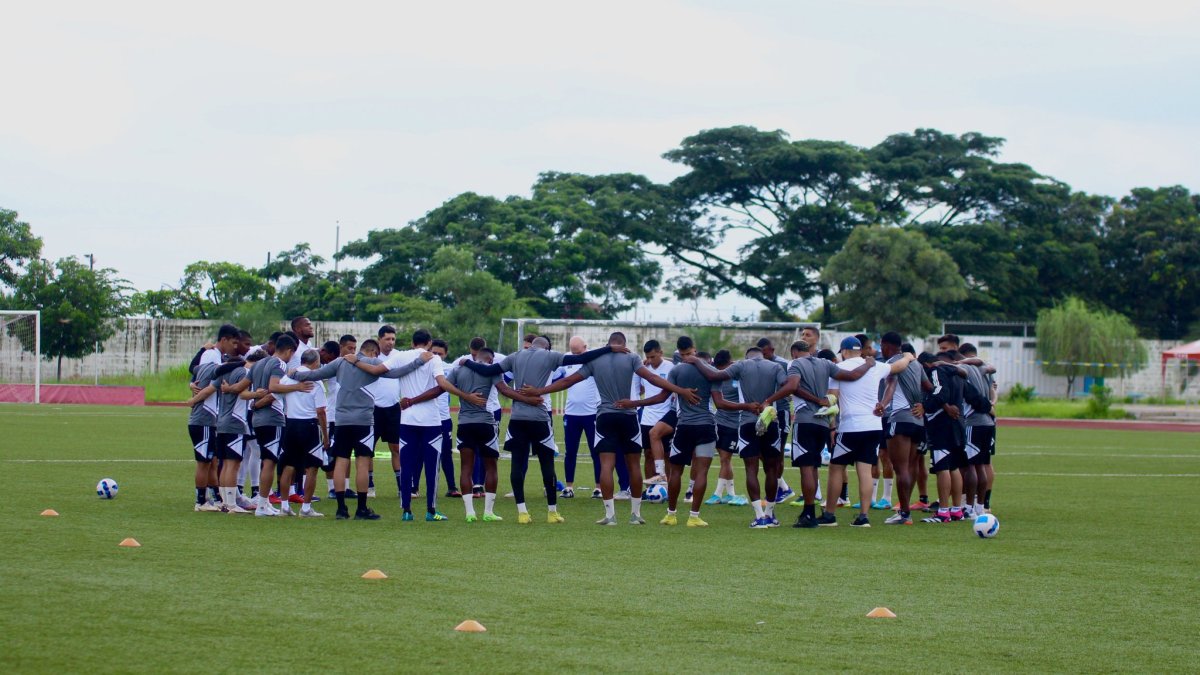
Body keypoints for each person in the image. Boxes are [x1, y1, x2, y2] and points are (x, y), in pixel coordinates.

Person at [525, 333, 699, 525]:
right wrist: (680, 390)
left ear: (609, 344)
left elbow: (568, 381)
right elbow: (652, 378)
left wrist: (539, 391)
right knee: (634, 465)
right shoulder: (631, 358)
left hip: (605, 417)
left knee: (606, 465)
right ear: (623, 345)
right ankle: (635, 515)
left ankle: (610, 516)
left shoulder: (596, 360)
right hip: (629, 416)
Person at [461, 337, 613, 524]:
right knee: (547, 465)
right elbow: (581, 358)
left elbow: (488, 370)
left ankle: (522, 512)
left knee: (517, 464)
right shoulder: (550, 356)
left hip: (517, 419)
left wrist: (467, 362)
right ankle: (552, 512)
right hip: (540, 418)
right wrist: (608, 349)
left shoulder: (515, 356)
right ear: (546, 347)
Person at [349, 330, 485, 522]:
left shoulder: (401, 356)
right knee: (432, 468)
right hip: (431, 420)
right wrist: (466, 396)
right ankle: (431, 510)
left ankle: (406, 511)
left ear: (412, 343)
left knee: (407, 466)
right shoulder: (433, 358)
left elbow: (375, 370)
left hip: (407, 420)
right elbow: (442, 384)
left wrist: (355, 361)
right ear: (429, 343)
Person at [290, 339, 429, 520]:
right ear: (374, 352)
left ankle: (341, 509)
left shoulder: (341, 362)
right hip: (364, 420)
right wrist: (420, 361)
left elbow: (315, 374)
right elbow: (397, 373)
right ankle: (361, 508)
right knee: (362, 462)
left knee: (341, 461)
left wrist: (294, 374)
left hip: (341, 420)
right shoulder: (374, 362)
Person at [815, 336, 915, 528]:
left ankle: (829, 515)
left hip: (850, 426)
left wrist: (832, 426)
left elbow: (833, 400)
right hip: (873, 425)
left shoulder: (838, 369)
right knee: (865, 470)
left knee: (836, 468)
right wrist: (908, 357)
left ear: (844, 351)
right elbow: (898, 367)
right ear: (860, 351)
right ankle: (863, 517)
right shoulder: (876, 366)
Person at [684, 346, 787, 528]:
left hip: (747, 421)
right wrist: (769, 401)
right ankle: (770, 514)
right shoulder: (775, 367)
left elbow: (714, 375)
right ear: (762, 355)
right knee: (772, 468)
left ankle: (759, 516)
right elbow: (788, 386)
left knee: (751, 469)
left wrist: (697, 361)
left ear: (747, 356)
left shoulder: (742, 365)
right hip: (770, 420)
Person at [623, 336, 711, 527]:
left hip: (685, 423)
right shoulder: (704, 371)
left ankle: (680, 505)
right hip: (694, 423)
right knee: (676, 465)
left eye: (689, 354)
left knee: (690, 465)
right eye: (684, 355)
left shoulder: (676, 369)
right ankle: (682, 512)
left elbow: (663, 396)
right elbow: (720, 396)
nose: (687, 358)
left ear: (695, 351)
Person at [449, 347, 542, 522]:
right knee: (491, 466)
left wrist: (464, 395)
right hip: (486, 423)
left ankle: (469, 513)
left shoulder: (458, 370)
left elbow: (443, 386)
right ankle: (488, 512)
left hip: (464, 423)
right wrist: (528, 399)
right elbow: (505, 391)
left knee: (466, 468)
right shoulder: (492, 371)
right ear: (491, 360)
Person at [184, 324, 240, 511]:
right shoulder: (212, 360)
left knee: (212, 461)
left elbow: (195, 373)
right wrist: (193, 400)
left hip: (209, 419)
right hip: (203, 419)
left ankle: (215, 498)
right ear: (223, 340)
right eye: (232, 343)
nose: (234, 347)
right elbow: (209, 386)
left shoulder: (214, 359)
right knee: (204, 463)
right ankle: (200, 502)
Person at [876, 335, 927, 525]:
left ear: (887, 346)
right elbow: (929, 387)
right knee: (912, 466)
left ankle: (904, 513)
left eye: (881, 346)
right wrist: (924, 405)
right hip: (918, 421)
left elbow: (891, 385)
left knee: (901, 468)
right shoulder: (916, 364)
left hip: (900, 418)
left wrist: (883, 404)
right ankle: (905, 509)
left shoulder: (892, 363)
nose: (881, 349)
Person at [277, 348, 329, 518]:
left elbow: (277, 390)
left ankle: (284, 505)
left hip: (290, 423)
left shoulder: (288, 378)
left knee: (289, 465)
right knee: (312, 467)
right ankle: (306, 508)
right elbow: (321, 411)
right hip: (309, 425)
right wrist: (325, 435)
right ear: (316, 362)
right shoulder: (316, 382)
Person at [922, 351, 967, 523]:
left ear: (926, 365)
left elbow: (940, 393)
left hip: (941, 425)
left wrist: (925, 406)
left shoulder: (935, 371)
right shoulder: (956, 374)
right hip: (957, 424)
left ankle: (943, 512)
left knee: (942, 468)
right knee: (954, 467)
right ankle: (956, 510)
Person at [366, 325, 405, 501]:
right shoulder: (372, 356)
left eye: (393, 339)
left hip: (393, 408)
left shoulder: (399, 356)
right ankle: (370, 485)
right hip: (373, 409)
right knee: (369, 449)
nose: (391, 342)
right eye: (387, 339)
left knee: (396, 448)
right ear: (379, 339)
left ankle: (401, 487)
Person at [958, 343, 997, 516]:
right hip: (988, 422)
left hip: (973, 422)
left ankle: (969, 507)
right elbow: (992, 370)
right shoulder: (982, 369)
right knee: (981, 465)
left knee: (971, 466)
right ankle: (980, 507)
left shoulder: (964, 369)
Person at [756, 338, 795, 504]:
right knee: (762, 451)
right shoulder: (759, 365)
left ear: (771, 350)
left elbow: (791, 386)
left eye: (764, 353)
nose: (762, 357)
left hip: (780, 412)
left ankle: (780, 489)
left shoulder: (783, 364)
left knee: (777, 453)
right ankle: (783, 487)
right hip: (765, 413)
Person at [707, 350, 748, 506]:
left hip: (735, 423)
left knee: (725, 458)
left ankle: (717, 494)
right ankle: (731, 494)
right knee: (724, 458)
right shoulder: (715, 374)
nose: (722, 372)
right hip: (719, 421)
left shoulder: (740, 373)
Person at [633, 340, 674, 486]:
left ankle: (667, 487)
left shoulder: (671, 367)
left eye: (653, 357)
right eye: (647, 357)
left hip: (665, 416)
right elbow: (641, 389)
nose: (650, 360)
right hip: (647, 417)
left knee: (667, 455)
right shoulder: (643, 369)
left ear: (660, 353)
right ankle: (650, 488)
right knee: (648, 454)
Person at [429, 339, 460, 498]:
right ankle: (414, 488)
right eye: (433, 353)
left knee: (446, 453)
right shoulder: (423, 367)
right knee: (421, 453)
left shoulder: (450, 369)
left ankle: (452, 487)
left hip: (444, 419)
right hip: (426, 419)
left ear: (445, 354)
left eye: (439, 354)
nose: (436, 356)